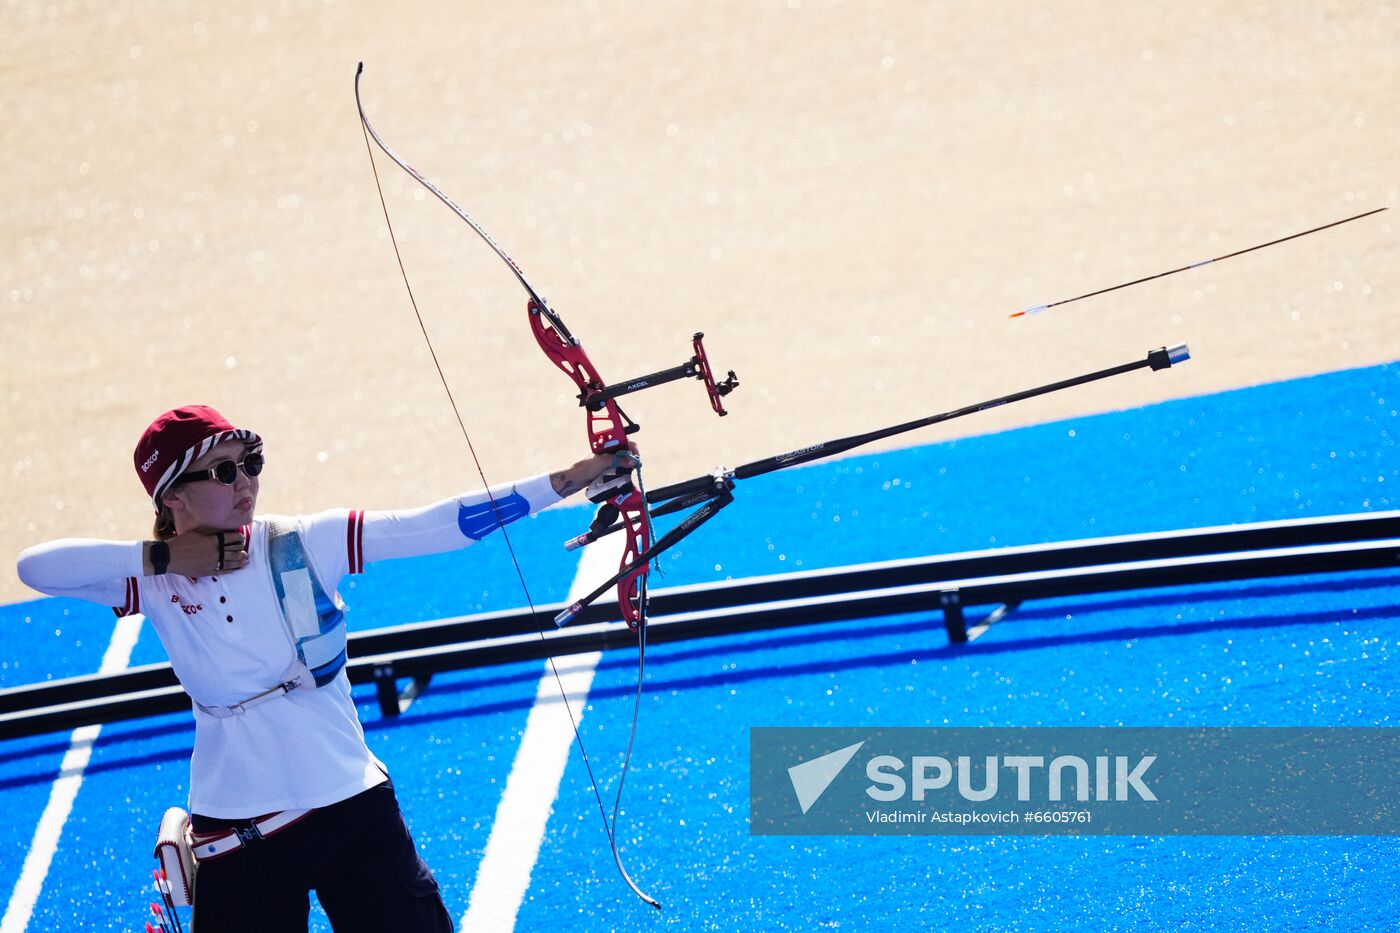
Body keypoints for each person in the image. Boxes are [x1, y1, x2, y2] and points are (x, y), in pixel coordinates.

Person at [16, 404, 636, 933]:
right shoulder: (152, 579)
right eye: (224, 470)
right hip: (241, 833)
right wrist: (167, 555)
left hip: (352, 811)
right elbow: (34, 568)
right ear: (172, 495)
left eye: (251, 464)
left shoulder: (302, 543)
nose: (245, 483)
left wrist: (572, 478)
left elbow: (442, 525)